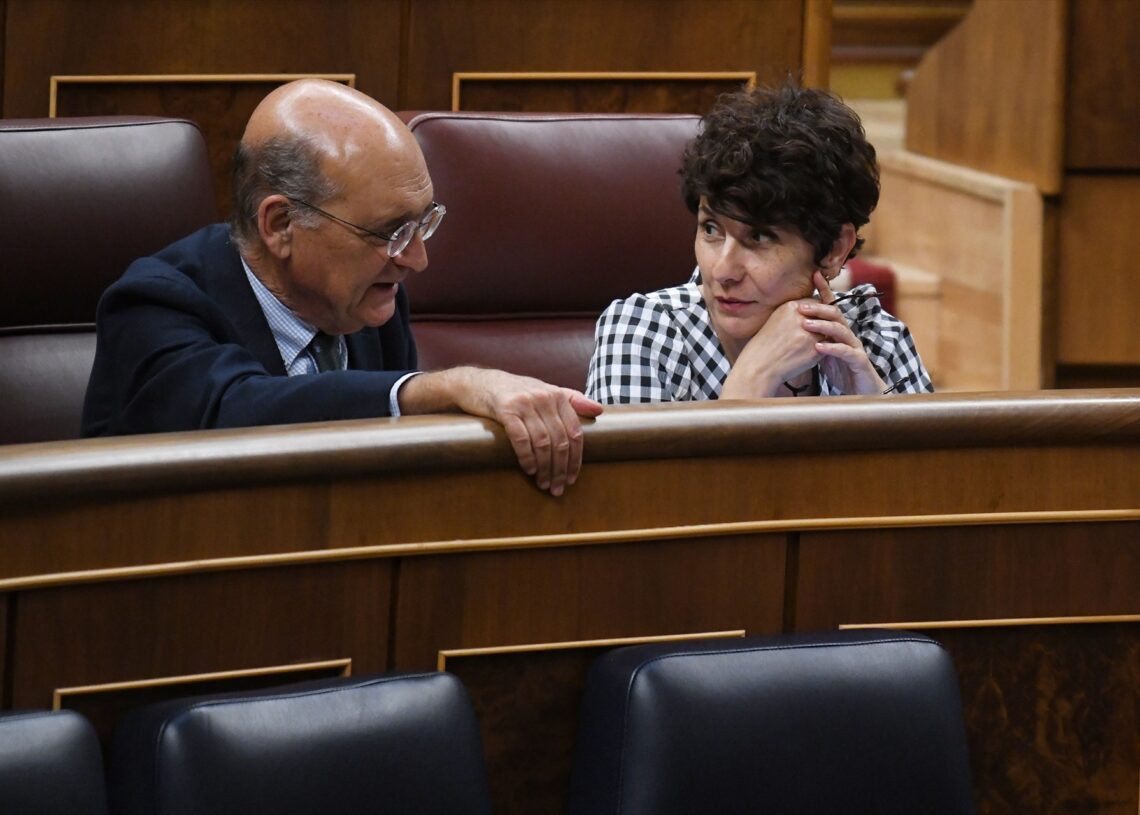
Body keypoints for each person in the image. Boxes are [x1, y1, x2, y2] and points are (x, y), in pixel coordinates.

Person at [82, 79, 602, 496]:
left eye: (424, 224)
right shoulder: (155, 304)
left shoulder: (370, 298)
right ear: (281, 224)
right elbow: (235, 416)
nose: (416, 259)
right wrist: (438, 388)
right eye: (390, 231)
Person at [585, 83, 933, 403]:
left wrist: (875, 407)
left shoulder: (876, 339)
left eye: (759, 237)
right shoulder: (646, 331)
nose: (722, 270)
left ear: (832, 249)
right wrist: (752, 378)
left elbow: (939, 472)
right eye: (711, 229)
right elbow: (647, 476)